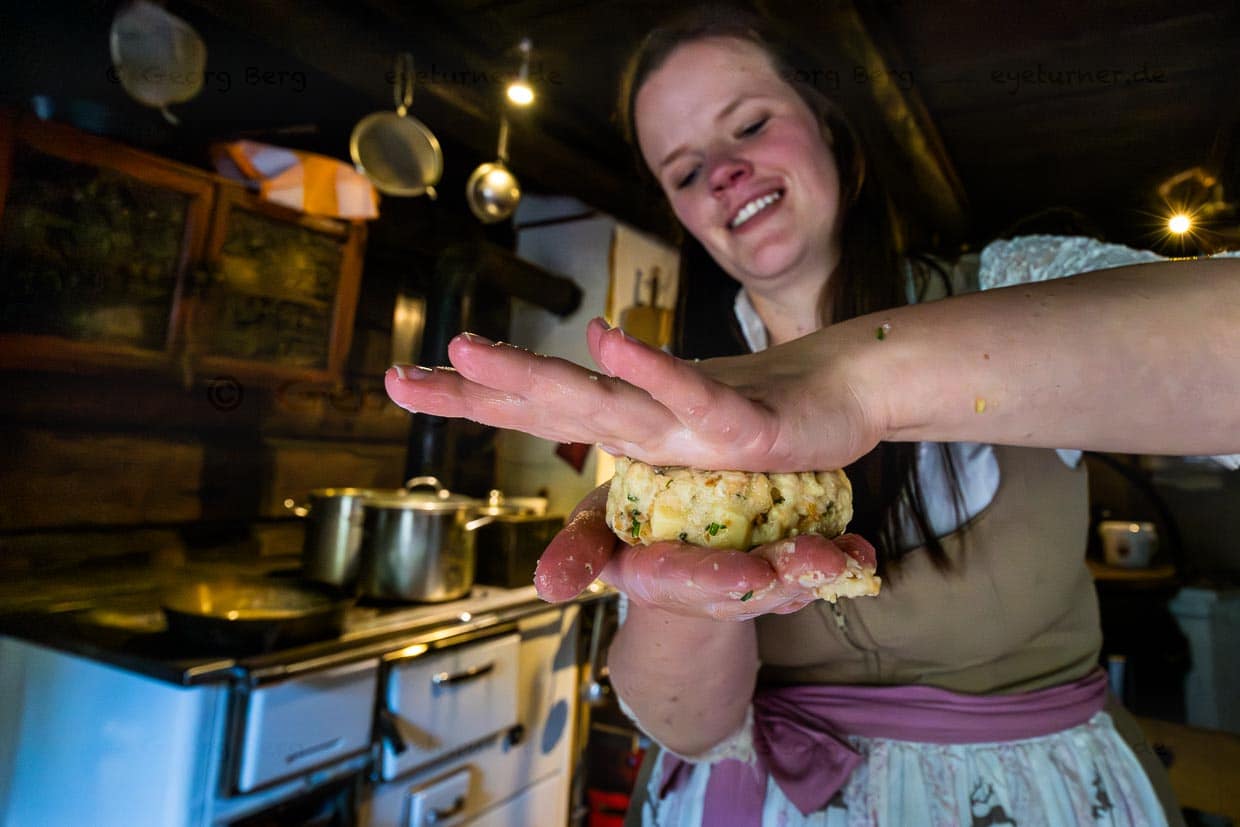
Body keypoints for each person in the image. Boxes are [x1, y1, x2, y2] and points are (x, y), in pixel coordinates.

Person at [385, 9, 1240, 825]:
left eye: (749, 125)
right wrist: (688, 590)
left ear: (829, 126)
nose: (721, 169)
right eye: (683, 170)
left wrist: (852, 382)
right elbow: (685, 725)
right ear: (683, 214)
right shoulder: (682, 423)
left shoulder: (1017, 284)